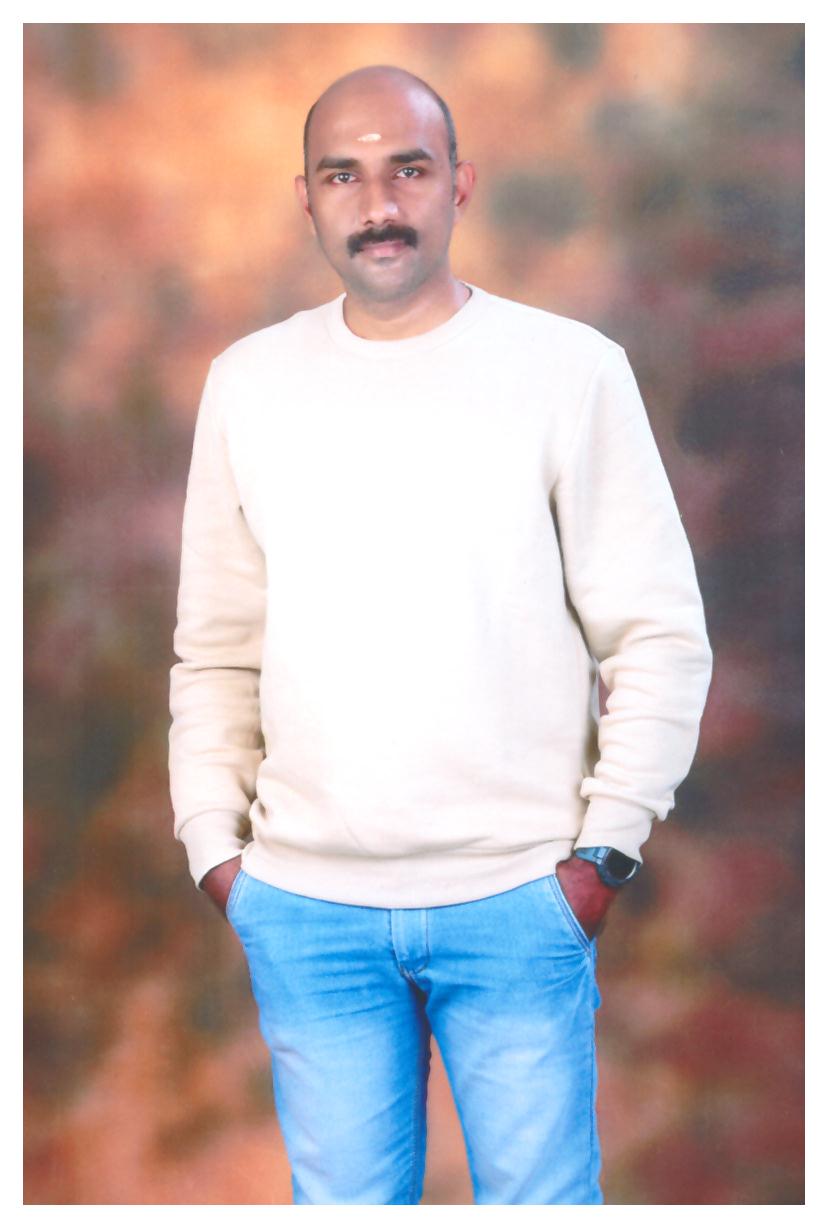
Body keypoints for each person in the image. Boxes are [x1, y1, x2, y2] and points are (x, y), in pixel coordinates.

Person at [168, 64, 713, 1205]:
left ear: (460, 183)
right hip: (307, 910)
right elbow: (216, 647)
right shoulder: (248, 384)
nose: (378, 204)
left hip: (519, 898)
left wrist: (606, 854)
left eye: (407, 169)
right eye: (343, 176)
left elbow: (658, 633)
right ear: (306, 199)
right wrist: (217, 849)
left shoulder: (571, 372)